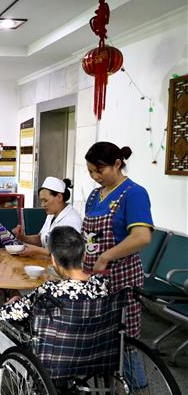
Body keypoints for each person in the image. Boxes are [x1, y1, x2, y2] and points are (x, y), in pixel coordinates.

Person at [82, 142, 152, 339]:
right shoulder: (95, 194)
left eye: (99, 170)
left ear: (117, 164)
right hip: (93, 276)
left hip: (121, 279)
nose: (95, 177)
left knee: (124, 344)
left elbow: (142, 237)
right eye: (90, 172)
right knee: (97, 341)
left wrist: (106, 256)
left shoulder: (133, 193)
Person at [0, 226, 109, 322]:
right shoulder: (102, 283)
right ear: (84, 255)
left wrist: (10, 303)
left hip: (54, 345)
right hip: (98, 344)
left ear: (54, 260)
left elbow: (4, 315)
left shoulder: (48, 291)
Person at [12, 177, 82, 257]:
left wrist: (37, 251)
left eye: (45, 201)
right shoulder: (51, 215)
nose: (43, 205)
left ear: (59, 197)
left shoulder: (72, 219)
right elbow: (41, 239)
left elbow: (69, 253)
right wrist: (23, 237)